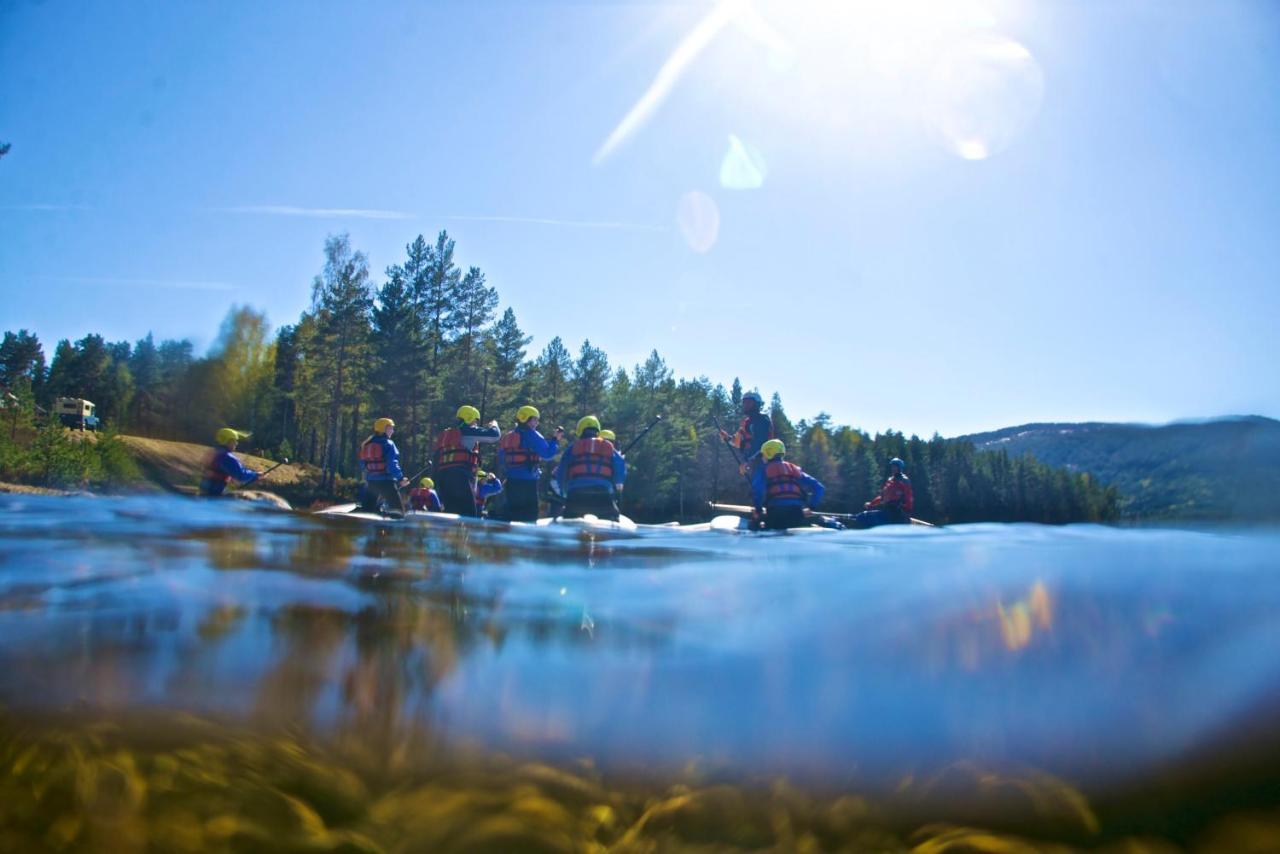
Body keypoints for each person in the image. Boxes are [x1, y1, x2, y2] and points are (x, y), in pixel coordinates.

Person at [496, 405, 564, 522]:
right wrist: (555, 439)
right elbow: (547, 455)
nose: (537, 423)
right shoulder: (532, 435)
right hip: (527, 482)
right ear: (526, 419)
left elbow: (502, 458)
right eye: (535, 419)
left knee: (511, 515)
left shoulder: (508, 436)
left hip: (511, 482)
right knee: (529, 517)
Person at [432, 404, 501, 516]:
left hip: (442, 478)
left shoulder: (446, 434)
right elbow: (494, 436)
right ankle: (465, 533)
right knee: (468, 513)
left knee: (452, 512)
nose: (476, 424)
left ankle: (450, 533)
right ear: (469, 418)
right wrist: (494, 425)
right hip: (459, 477)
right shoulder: (467, 431)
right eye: (475, 421)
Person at [554, 415, 626, 521]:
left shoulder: (572, 448)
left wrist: (563, 493)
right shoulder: (608, 446)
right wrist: (617, 487)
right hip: (602, 495)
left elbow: (561, 473)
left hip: (576, 495)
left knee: (568, 517)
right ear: (598, 430)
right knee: (612, 517)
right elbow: (620, 466)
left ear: (580, 430)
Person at [750, 439, 825, 530]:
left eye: (763, 454)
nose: (762, 457)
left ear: (768, 453)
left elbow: (757, 490)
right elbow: (819, 488)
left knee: (754, 524)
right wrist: (811, 507)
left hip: (775, 513)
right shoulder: (794, 469)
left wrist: (758, 510)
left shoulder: (763, 469)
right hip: (796, 513)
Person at [358, 417, 407, 515]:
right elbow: (392, 463)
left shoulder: (366, 445)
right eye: (390, 428)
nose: (392, 431)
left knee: (367, 511)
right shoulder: (389, 444)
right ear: (384, 429)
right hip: (387, 483)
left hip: (371, 483)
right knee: (398, 512)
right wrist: (401, 478)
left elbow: (362, 464)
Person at [719, 390, 772, 474]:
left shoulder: (762, 420)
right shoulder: (746, 422)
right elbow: (738, 442)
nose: (746, 405)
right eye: (744, 402)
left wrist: (749, 463)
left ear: (757, 404)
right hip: (750, 464)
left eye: (749, 403)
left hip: (763, 463)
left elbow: (762, 443)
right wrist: (728, 438)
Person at [852, 458, 914, 528]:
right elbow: (882, 497)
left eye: (895, 467)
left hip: (897, 514)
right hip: (887, 512)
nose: (893, 468)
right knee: (864, 516)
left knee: (865, 517)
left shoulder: (904, 480)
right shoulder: (890, 480)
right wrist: (871, 504)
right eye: (892, 466)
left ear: (899, 468)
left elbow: (909, 499)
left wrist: (906, 514)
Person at [199, 428, 260, 496]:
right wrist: (256, 475)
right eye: (234, 441)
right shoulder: (226, 457)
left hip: (205, 490)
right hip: (215, 493)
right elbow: (241, 475)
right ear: (227, 441)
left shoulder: (213, 452)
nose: (236, 443)